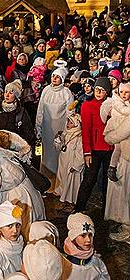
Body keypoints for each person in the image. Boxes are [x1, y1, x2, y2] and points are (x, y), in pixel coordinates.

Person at [75, 77, 114, 213]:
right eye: (97, 89)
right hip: (94, 150)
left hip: (110, 148)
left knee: (108, 182)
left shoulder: (112, 105)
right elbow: (86, 130)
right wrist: (87, 152)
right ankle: (79, 208)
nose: (98, 92)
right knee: (89, 179)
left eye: (102, 90)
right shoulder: (87, 105)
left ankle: (107, 210)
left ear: (107, 92)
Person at [35, 66, 74, 184]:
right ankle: (46, 180)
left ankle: (59, 181)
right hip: (47, 129)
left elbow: (70, 112)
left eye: (58, 77)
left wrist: (68, 131)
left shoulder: (66, 93)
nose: (55, 79)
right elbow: (40, 108)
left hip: (60, 130)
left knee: (58, 154)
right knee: (46, 154)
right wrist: (38, 126)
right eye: (53, 76)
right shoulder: (46, 90)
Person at [103, 81, 130, 242]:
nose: (124, 96)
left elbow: (118, 136)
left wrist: (110, 136)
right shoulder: (120, 110)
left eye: (127, 93)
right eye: (122, 93)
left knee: (127, 193)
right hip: (124, 157)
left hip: (128, 159)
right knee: (123, 193)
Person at [62, 213, 110, 278]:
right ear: (73, 238)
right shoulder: (63, 267)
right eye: (83, 235)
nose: (88, 240)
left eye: (90, 235)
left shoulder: (96, 262)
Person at [54, 111, 84, 210]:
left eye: (71, 122)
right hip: (63, 162)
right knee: (63, 181)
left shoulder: (79, 136)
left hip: (72, 164)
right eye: (68, 122)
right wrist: (57, 140)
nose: (68, 124)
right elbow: (59, 147)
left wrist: (76, 165)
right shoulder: (66, 133)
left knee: (71, 184)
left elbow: (81, 153)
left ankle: (71, 203)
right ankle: (63, 199)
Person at [0, 81, 35, 149]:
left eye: (11, 93)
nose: (7, 95)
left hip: (14, 150)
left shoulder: (21, 112)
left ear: (16, 96)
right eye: (6, 92)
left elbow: (28, 134)